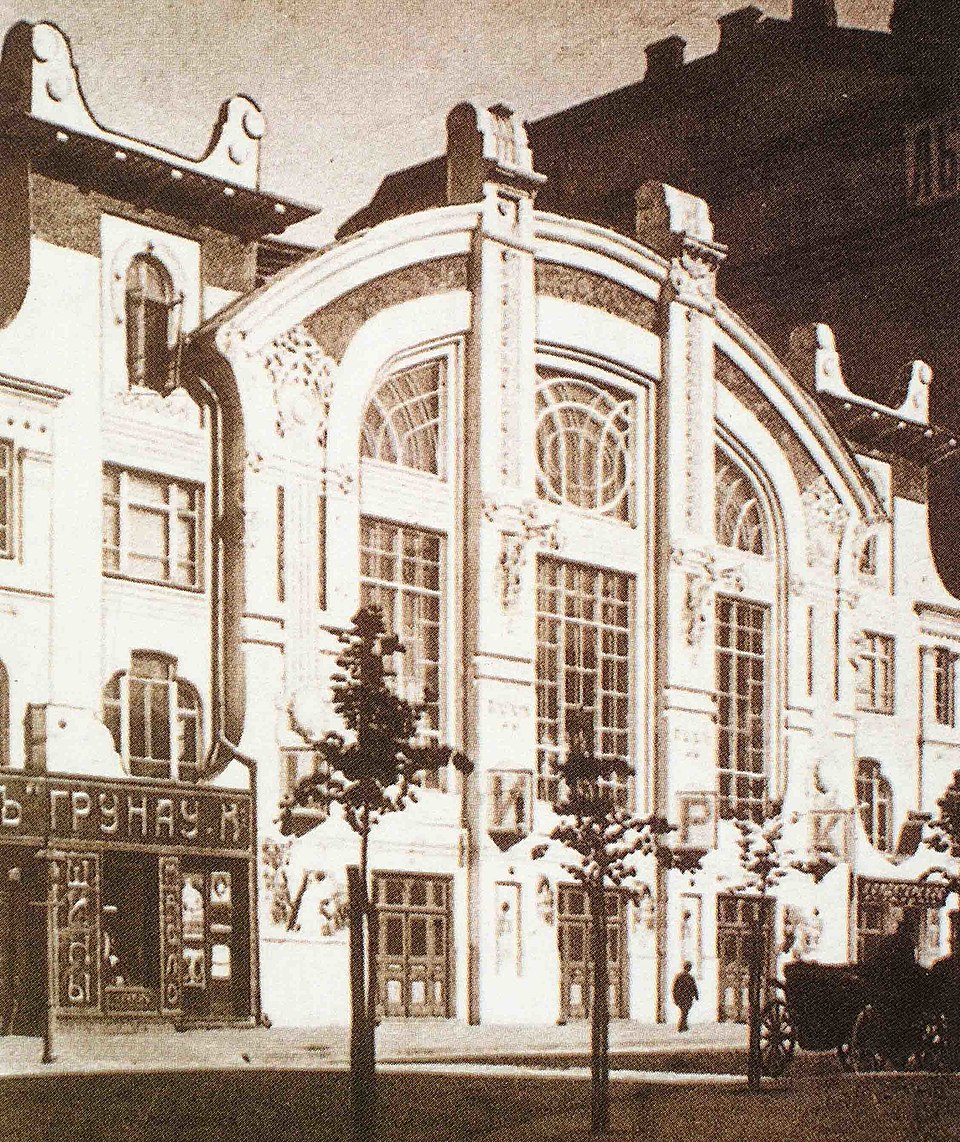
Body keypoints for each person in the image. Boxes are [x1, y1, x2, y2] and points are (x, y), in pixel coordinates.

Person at [672, 961, 699, 1032]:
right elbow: (675, 988)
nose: (689, 969)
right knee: (684, 1012)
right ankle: (682, 1026)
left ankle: (683, 1026)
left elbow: (694, 987)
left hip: (685, 998)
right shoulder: (686, 977)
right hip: (684, 998)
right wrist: (696, 996)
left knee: (684, 1012)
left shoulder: (685, 977)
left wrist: (696, 995)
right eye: (689, 967)